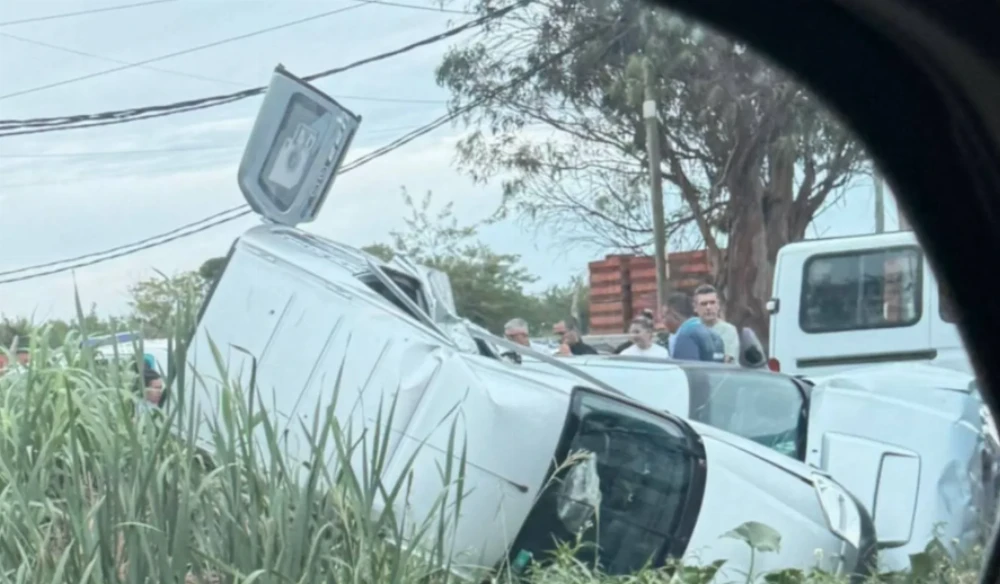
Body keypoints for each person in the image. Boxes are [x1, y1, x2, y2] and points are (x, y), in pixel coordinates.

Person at [665, 291, 725, 362]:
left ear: (675, 315)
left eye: (665, 315)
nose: (664, 321)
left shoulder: (686, 335)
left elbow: (686, 370)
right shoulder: (715, 334)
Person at [692, 284, 740, 363]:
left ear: (718, 305)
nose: (708, 307)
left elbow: (726, 361)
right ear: (695, 307)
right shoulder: (691, 330)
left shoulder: (729, 330)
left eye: (712, 303)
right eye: (704, 304)